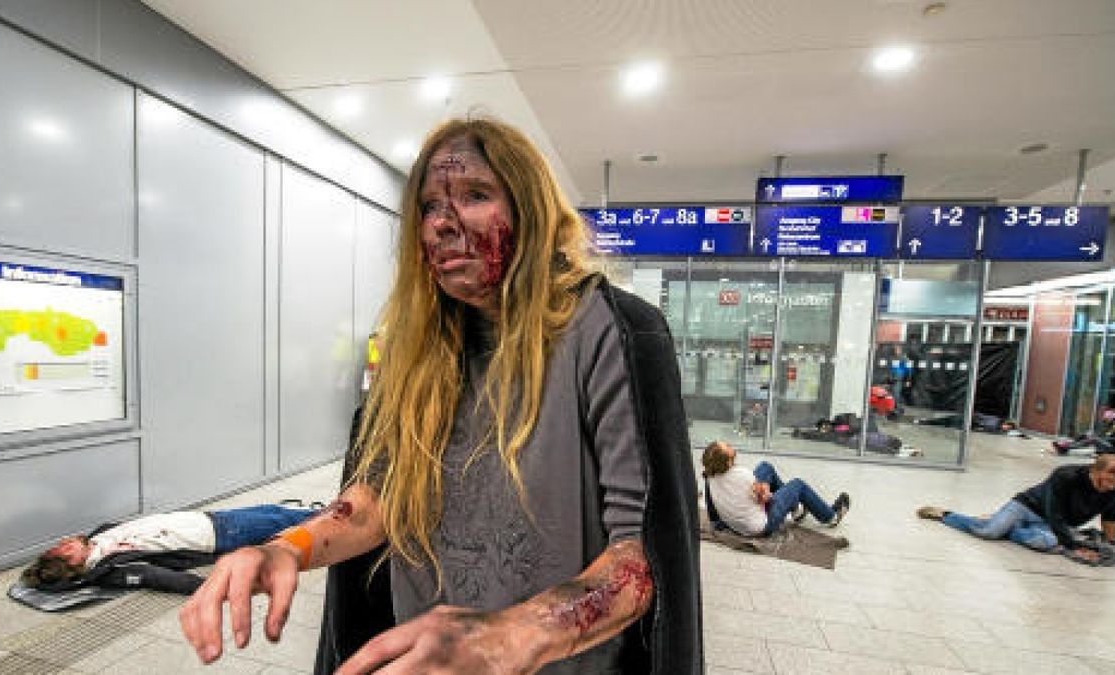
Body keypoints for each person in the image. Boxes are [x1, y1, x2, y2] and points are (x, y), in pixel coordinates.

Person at [178, 117, 701, 675]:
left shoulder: (610, 332)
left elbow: (643, 555)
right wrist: (287, 548)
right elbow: (382, 496)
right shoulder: (417, 345)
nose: (444, 225)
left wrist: (510, 635)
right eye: (430, 207)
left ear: (530, 208)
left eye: (476, 195)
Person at [20, 504, 317, 594]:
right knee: (290, 521)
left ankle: (335, 513)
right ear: (72, 565)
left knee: (277, 512)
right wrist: (210, 589)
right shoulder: (111, 567)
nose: (64, 542)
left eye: (60, 544)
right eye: (63, 551)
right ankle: (344, 517)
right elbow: (156, 576)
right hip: (217, 535)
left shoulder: (98, 538)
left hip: (208, 518)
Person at [917, 454, 1115, 559]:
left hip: (1053, 524)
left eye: (1113, 483)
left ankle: (1010, 529)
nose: (1108, 487)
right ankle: (946, 515)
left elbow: (1111, 516)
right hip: (1028, 506)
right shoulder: (1066, 475)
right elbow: (1054, 511)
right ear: (1094, 470)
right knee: (989, 531)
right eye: (1104, 481)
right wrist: (1073, 546)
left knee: (1046, 543)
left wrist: (1110, 544)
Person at [701, 440, 850, 536]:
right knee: (798, 485)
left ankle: (796, 510)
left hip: (731, 524)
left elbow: (712, 506)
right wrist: (767, 490)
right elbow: (766, 501)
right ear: (727, 462)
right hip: (760, 527)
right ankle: (830, 516)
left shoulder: (709, 475)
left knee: (765, 467)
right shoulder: (743, 475)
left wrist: (717, 523)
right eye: (727, 447)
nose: (729, 445)